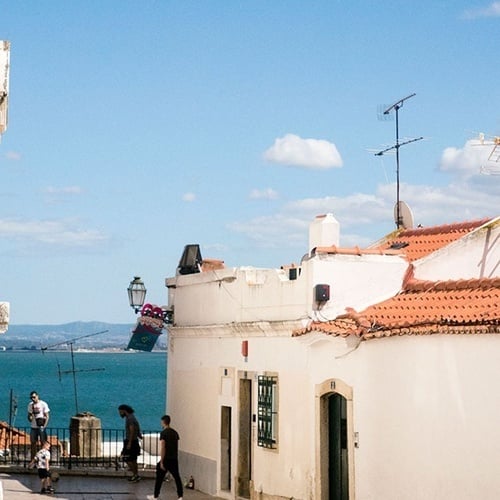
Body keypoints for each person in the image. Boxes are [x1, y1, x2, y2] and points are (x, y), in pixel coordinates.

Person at [148, 415, 184, 500]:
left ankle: (155, 496)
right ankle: (180, 496)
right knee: (177, 477)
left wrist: (161, 461)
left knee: (159, 478)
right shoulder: (175, 433)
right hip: (174, 458)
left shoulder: (163, 433)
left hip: (166, 458)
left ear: (163, 422)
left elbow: (163, 447)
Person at [118, 404, 142, 482]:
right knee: (134, 459)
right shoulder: (132, 417)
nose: (120, 414)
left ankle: (135, 474)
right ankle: (136, 476)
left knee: (126, 458)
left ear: (124, 411)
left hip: (130, 441)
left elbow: (132, 430)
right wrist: (139, 435)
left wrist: (129, 443)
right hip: (134, 441)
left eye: (120, 412)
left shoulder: (130, 419)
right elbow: (137, 428)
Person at [27, 391, 50, 459]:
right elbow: (29, 415)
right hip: (33, 426)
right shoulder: (30, 405)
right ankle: (33, 459)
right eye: (31, 398)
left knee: (43, 443)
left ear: (37, 396)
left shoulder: (43, 404)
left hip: (41, 426)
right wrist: (30, 418)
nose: (33, 399)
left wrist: (44, 426)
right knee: (33, 443)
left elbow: (47, 416)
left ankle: (42, 459)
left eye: (34, 397)